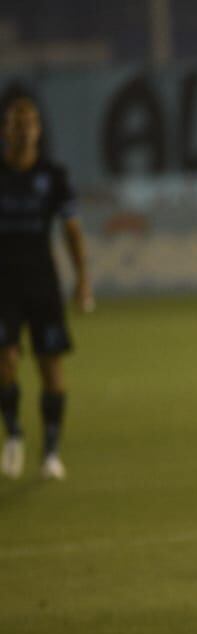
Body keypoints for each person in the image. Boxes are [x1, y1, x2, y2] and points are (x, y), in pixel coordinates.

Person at [0, 96, 92, 480]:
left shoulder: (53, 175)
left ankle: (51, 452)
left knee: (50, 365)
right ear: (6, 130)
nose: (24, 130)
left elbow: (72, 231)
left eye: (30, 123)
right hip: (2, 283)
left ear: (38, 130)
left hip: (42, 282)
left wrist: (83, 279)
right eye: (16, 123)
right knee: (4, 360)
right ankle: (15, 435)